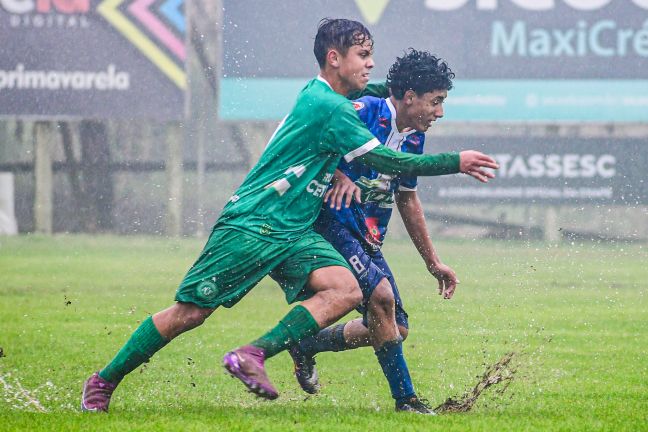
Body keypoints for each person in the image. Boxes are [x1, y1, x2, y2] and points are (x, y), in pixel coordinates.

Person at [81, 18, 498, 412]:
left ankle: (253, 353)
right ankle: (103, 380)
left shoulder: (338, 101)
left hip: (296, 228)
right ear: (334, 58)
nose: (371, 64)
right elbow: (387, 158)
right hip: (255, 221)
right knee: (190, 313)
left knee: (347, 290)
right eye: (362, 55)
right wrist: (455, 161)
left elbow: (371, 113)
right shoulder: (331, 107)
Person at [289, 49, 464, 414]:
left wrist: (434, 262)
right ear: (410, 97)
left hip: (367, 237)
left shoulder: (414, 136)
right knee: (381, 298)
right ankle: (407, 401)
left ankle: (307, 344)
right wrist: (337, 175)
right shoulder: (365, 111)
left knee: (394, 328)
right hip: (331, 224)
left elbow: (408, 200)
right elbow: (308, 147)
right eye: (436, 101)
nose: (440, 112)